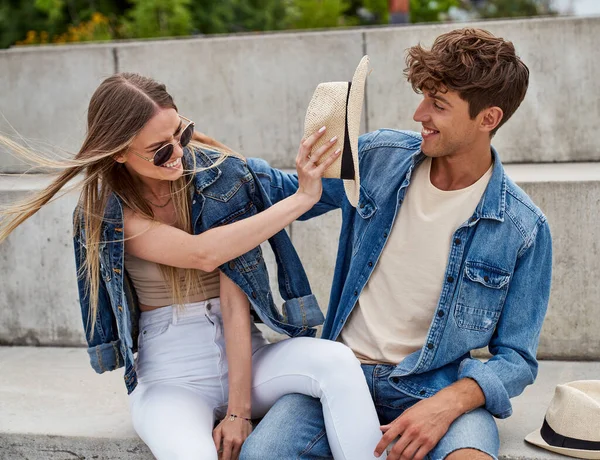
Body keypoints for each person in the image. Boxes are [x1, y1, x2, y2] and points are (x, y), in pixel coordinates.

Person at [0, 73, 386, 460]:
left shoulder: (219, 179)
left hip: (248, 357)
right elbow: (203, 253)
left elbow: (234, 299)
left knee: (335, 362)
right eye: (160, 151)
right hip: (172, 378)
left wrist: (238, 411)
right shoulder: (108, 212)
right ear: (119, 153)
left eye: (180, 135)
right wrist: (303, 198)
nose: (179, 154)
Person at [241, 28, 552, 460]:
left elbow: (516, 358)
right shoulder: (377, 159)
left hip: (434, 387)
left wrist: (448, 405)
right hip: (339, 373)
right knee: (262, 456)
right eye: (424, 96)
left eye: (438, 105)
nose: (418, 113)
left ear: (488, 118)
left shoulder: (522, 227)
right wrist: (210, 160)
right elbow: (285, 190)